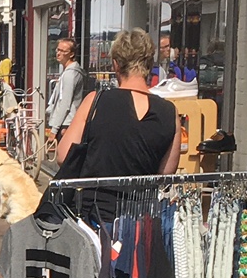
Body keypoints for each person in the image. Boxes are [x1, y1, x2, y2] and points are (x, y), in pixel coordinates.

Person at [55, 26, 180, 215]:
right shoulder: (169, 111)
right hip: (141, 217)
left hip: (93, 214)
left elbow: (63, 156)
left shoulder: (95, 101)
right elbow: (165, 173)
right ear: (149, 64)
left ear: (116, 64)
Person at [45, 37, 85, 149]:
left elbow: (65, 103)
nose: (58, 53)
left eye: (63, 51)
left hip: (66, 123)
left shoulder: (70, 75)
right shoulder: (68, 72)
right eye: (58, 50)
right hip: (66, 122)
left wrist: (54, 130)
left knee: (63, 156)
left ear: (71, 54)